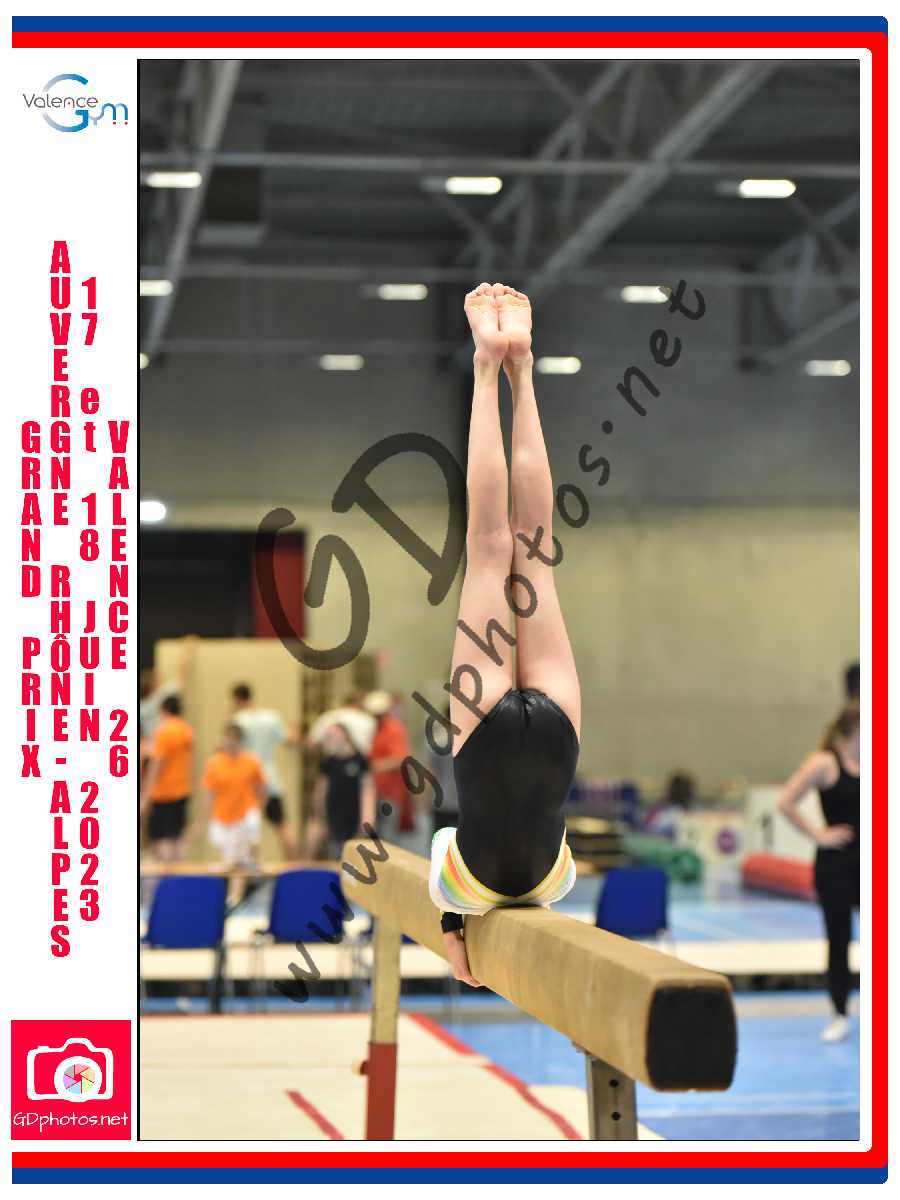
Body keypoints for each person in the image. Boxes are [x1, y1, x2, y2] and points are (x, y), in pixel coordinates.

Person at [427, 283, 581, 987]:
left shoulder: (558, 879)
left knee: (535, 549)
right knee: (492, 546)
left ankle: (522, 367)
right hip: (484, 740)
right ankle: (489, 367)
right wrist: (458, 940)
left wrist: (465, 940)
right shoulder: (455, 887)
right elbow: (454, 930)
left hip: (557, 738)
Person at [778, 701, 860, 1042]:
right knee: (839, 939)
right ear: (851, 731)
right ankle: (839, 1013)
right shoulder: (824, 763)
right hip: (836, 865)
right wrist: (818, 834)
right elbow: (785, 801)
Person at [230, 683, 299, 858]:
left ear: (236, 699)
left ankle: (249, 867)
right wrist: (294, 729)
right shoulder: (271, 717)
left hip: (248, 779)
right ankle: (293, 864)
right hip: (270, 778)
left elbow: (230, 747)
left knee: (247, 828)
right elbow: (290, 740)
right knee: (282, 824)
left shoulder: (238, 720)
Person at [195, 723, 267, 868]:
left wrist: (258, 810)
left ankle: (245, 875)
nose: (230, 746)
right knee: (229, 858)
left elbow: (262, 788)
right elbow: (209, 794)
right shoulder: (214, 763)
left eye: (234, 743)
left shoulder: (251, 761)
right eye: (228, 742)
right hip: (223, 815)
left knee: (241, 853)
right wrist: (201, 820)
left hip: (244, 814)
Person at [307, 723, 376, 858]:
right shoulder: (329, 762)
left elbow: (368, 789)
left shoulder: (359, 760)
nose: (331, 739)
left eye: (334, 735)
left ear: (345, 736)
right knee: (335, 851)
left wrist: (368, 815)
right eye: (328, 736)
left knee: (355, 854)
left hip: (354, 814)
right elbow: (321, 789)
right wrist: (318, 814)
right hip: (334, 814)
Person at [140, 695, 195, 862]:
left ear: (164, 710)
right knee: (177, 838)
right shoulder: (186, 730)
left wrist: (145, 795)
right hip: (182, 790)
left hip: (164, 792)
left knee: (161, 839)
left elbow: (157, 764)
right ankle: (178, 873)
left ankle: (168, 874)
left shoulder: (164, 731)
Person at [365, 690, 417, 847]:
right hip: (379, 791)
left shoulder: (393, 728)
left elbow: (400, 758)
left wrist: (374, 766)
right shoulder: (378, 728)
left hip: (391, 792)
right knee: (378, 835)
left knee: (388, 838)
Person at [139, 636, 196, 738]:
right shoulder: (160, 696)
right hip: (162, 741)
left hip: (149, 743)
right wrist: (187, 651)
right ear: (152, 685)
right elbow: (181, 676)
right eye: (157, 679)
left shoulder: (142, 706)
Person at [307, 691, 376, 757]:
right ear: (361, 703)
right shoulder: (368, 720)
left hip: (332, 760)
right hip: (360, 761)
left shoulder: (328, 717)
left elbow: (311, 743)